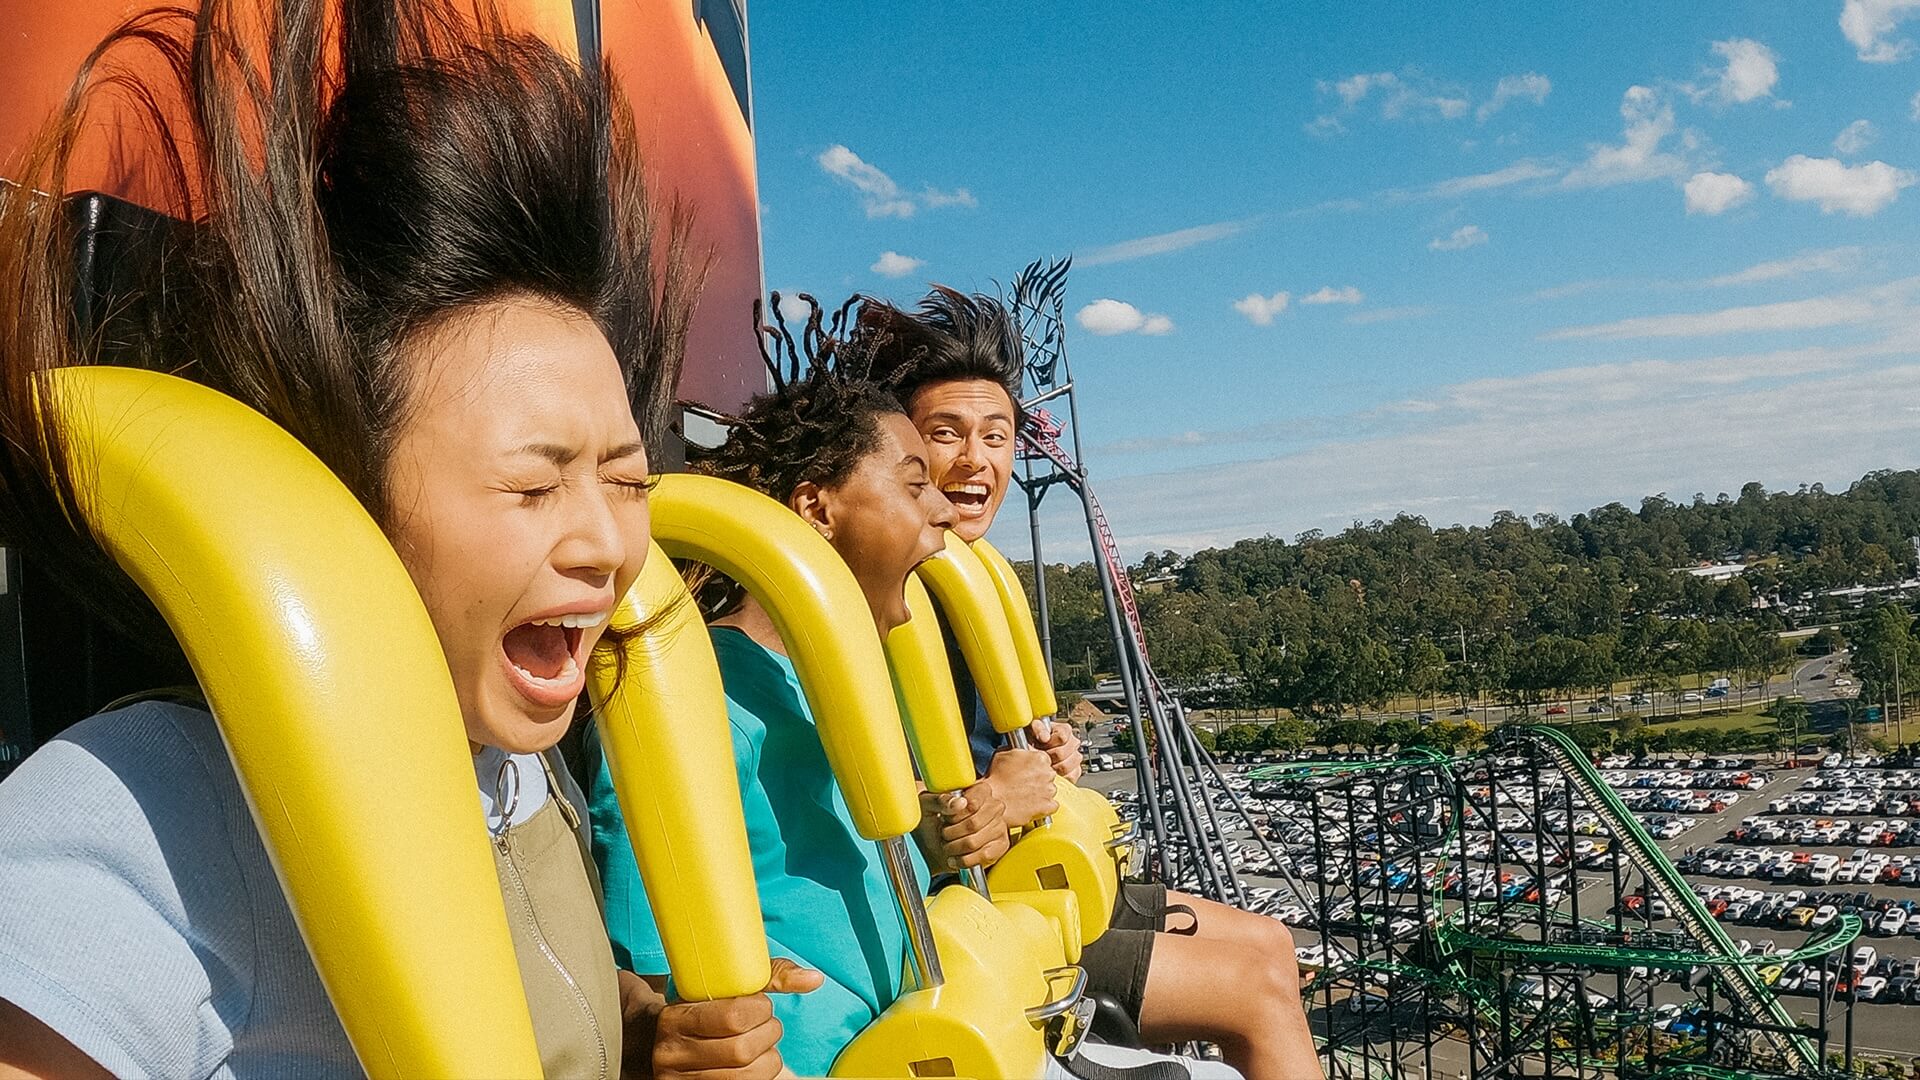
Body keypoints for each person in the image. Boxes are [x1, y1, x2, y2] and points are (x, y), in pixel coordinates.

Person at [0, 3, 800, 1077]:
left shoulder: (522, 767)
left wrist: (652, 1036)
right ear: (341, 500)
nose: (609, 544)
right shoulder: (150, 808)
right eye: (533, 484)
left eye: (626, 480)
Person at [588, 298, 1244, 1080]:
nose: (939, 509)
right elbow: (652, 974)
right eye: (911, 486)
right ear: (815, 509)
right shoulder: (698, 701)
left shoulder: (839, 679)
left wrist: (954, 829)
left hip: (928, 1025)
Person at [858, 287, 1323, 1080]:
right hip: (977, 916)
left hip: (1031, 883)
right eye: (947, 435)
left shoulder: (973, 584)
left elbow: (990, 761)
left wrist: (1040, 752)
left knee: (1274, 946)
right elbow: (878, 801)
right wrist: (990, 797)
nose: (976, 461)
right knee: (1256, 994)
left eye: (997, 437)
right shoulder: (889, 599)